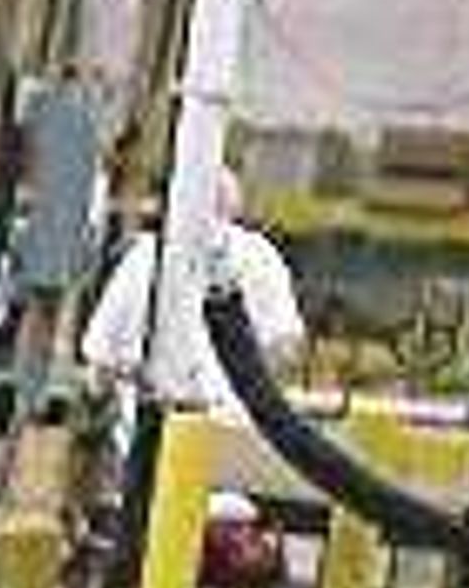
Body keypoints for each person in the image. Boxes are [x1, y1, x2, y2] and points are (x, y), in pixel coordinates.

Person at [78, 169, 307, 412]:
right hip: (231, 424)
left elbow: (100, 362)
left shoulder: (144, 255)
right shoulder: (260, 254)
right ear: (234, 206)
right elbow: (286, 350)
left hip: (151, 423)